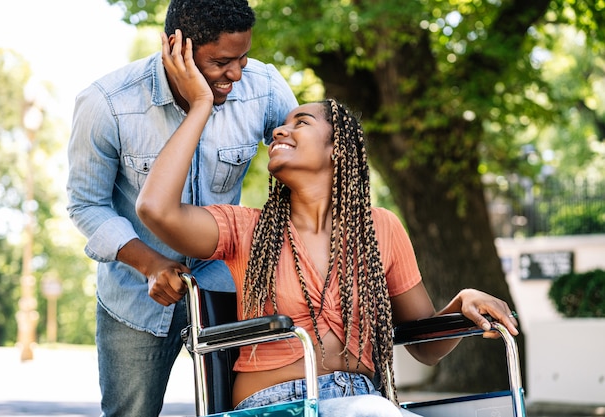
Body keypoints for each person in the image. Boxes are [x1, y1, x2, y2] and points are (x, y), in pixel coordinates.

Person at [135, 34, 520, 417]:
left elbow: (426, 348)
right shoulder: (245, 229)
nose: (279, 132)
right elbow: (155, 209)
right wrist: (201, 105)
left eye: (300, 123)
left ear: (338, 149)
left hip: (363, 400)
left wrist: (462, 302)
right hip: (274, 406)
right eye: (280, 127)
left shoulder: (380, 229)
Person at [65, 0, 298, 415]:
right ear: (176, 47)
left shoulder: (263, 86)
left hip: (228, 286)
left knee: (240, 411)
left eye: (243, 57)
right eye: (222, 61)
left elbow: (307, 165)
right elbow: (87, 204)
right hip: (135, 297)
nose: (237, 74)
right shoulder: (106, 103)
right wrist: (152, 264)